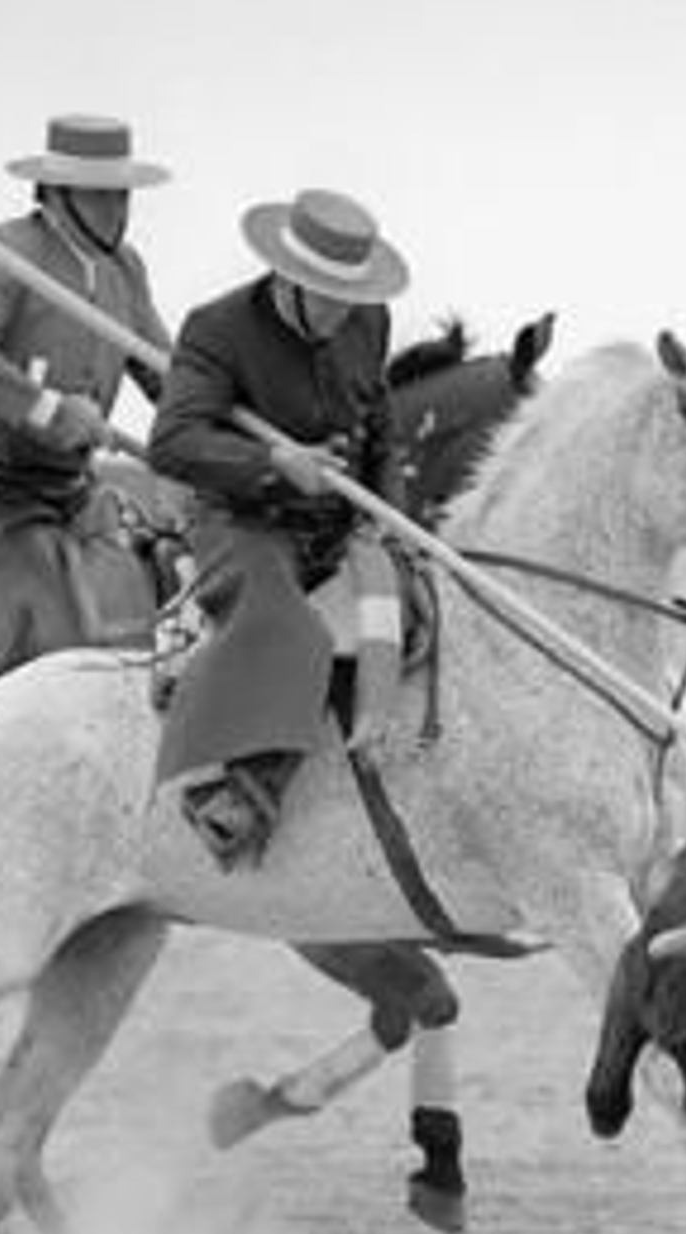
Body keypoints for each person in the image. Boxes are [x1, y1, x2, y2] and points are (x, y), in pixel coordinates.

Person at [148, 187, 411, 870]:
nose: (339, 311)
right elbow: (173, 440)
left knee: (419, 604)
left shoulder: (369, 322)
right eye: (325, 295)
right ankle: (237, 791)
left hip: (337, 521)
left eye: (348, 295)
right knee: (290, 629)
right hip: (240, 519)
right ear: (288, 277)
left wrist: (385, 513)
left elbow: (380, 429)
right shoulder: (216, 327)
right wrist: (273, 463)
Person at [0, 113, 172, 667]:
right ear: (57, 192)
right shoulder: (3, 252)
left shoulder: (125, 270)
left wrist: (237, 424)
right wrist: (51, 412)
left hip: (76, 492)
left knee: (162, 619)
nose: (119, 210)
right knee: (58, 664)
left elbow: (167, 374)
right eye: (102, 195)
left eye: (124, 195)